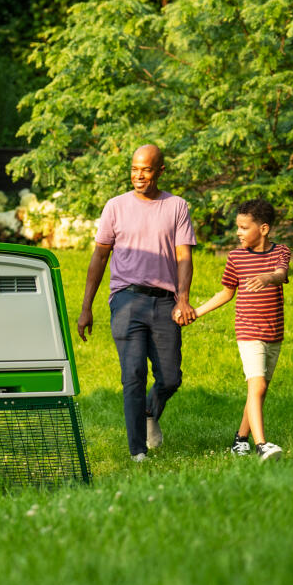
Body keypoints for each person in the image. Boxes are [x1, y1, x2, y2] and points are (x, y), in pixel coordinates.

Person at [76, 144, 197, 461]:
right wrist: (87, 307)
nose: (138, 175)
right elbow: (100, 256)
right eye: (134, 168)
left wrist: (182, 299)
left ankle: (147, 412)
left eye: (145, 169)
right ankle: (137, 451)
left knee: (170, 377)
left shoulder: (176, 206)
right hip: (126, 299)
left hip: (164, 301)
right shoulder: (115, 207)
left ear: (160, 171)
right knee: (133, 375)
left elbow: (184, 257)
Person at [187, 199, 289, 461]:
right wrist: (196, 312)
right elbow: (226, 292)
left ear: (263, 229)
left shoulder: (281, 252)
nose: (239, 232)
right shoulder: (236, 257)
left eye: (244, 227)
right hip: (248, 331)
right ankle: (261, 445)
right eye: (238, 227)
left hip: (274, 331)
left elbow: (280, 273)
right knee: (256, 386)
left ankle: (240, 439)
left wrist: (268, 277)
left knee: (260, 388)